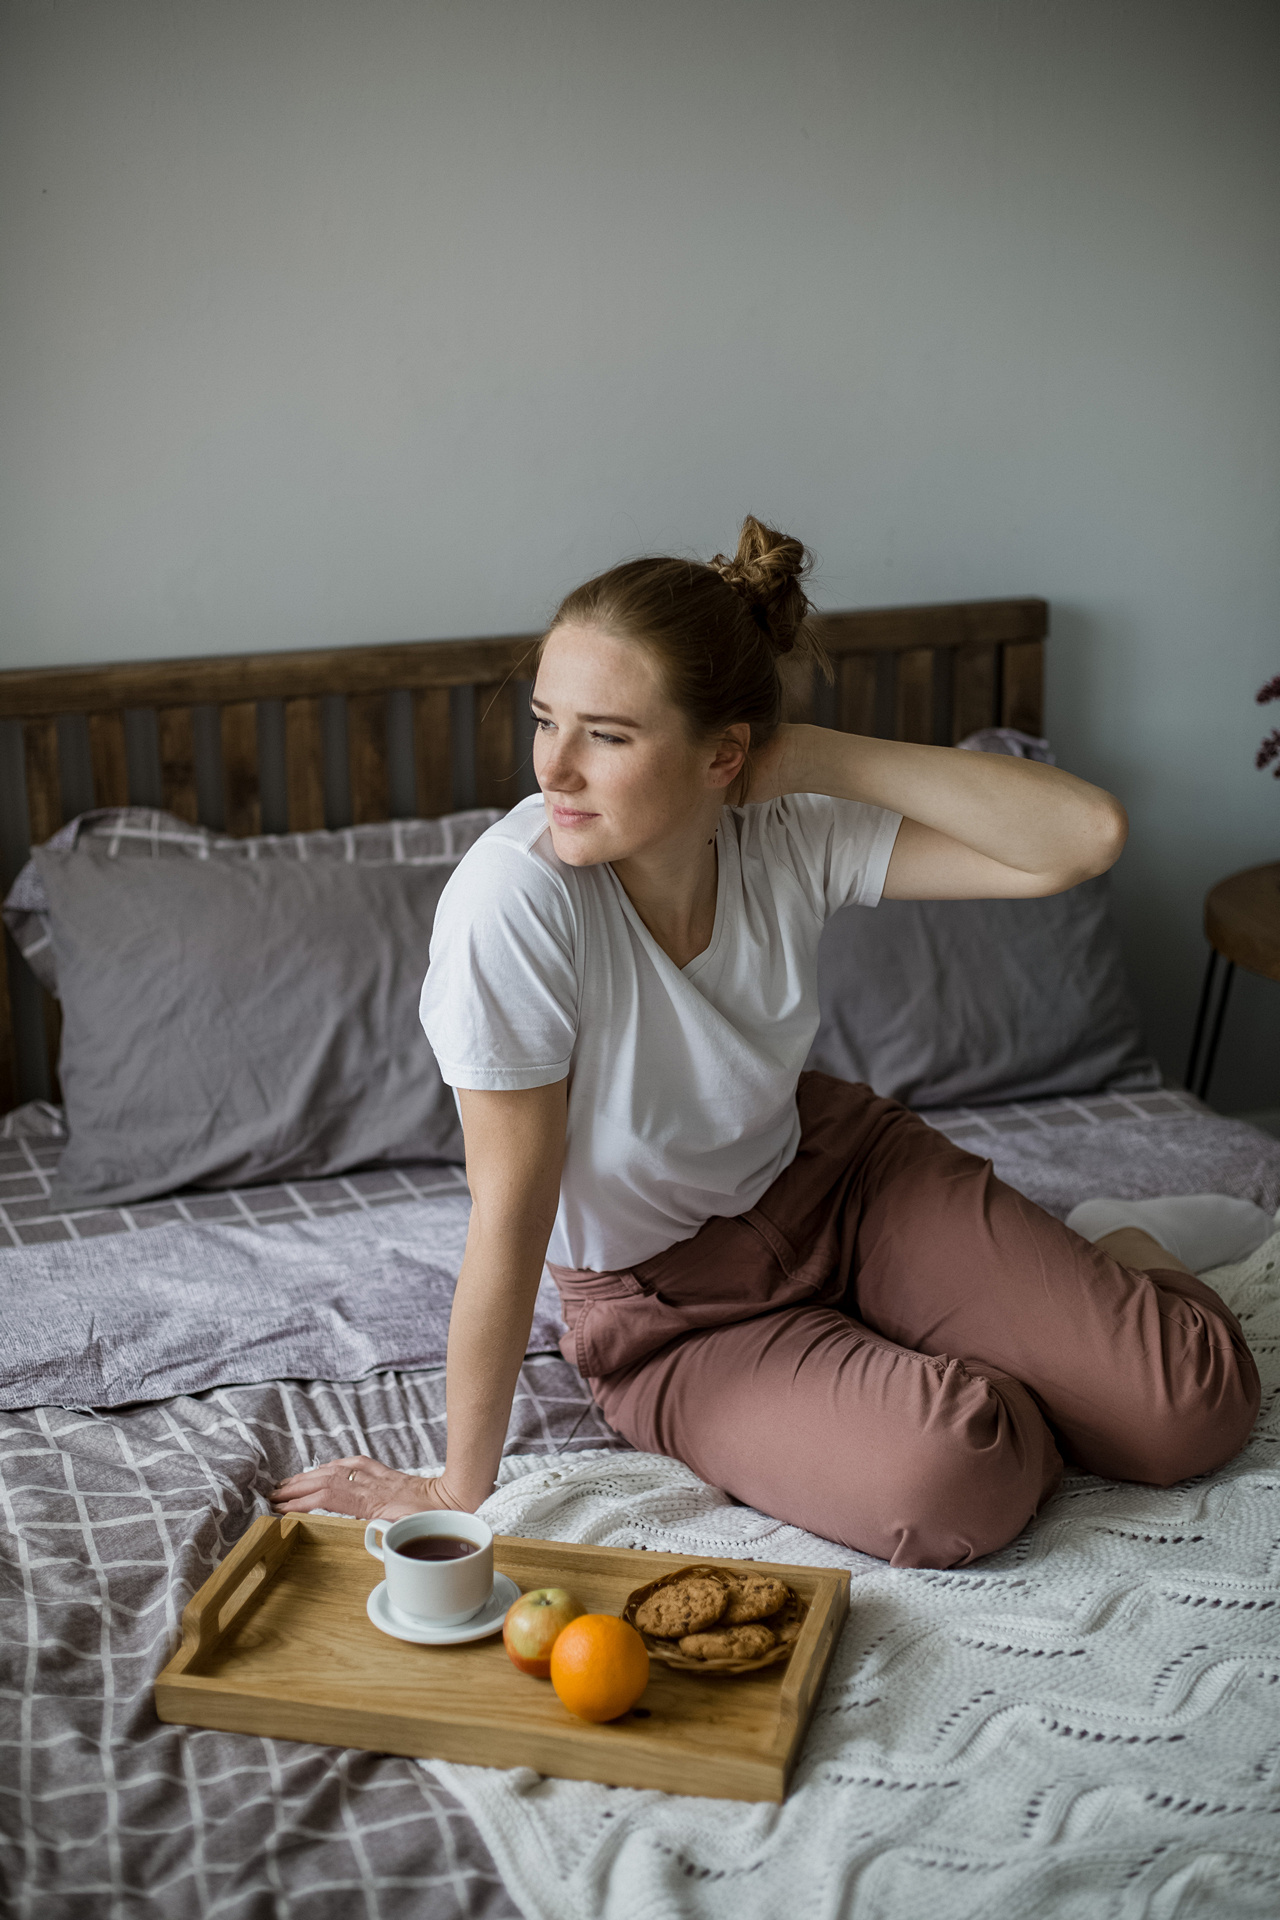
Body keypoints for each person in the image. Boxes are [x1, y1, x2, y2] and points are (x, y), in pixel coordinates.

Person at [272, 518, 1261, 1568]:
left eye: (606, 734)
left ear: (724, 756)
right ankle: (989, 1349)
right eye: (545, 719)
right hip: (671, 1313)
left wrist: (813, 758)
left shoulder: (783, 831)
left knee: (1189, 1410)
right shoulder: (512, 900)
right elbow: (509, 1213)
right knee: (958, 1479)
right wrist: (449, 1487)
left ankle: (1113, 1248)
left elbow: (1080, 841)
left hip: (844, 1183)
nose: (553, 768)